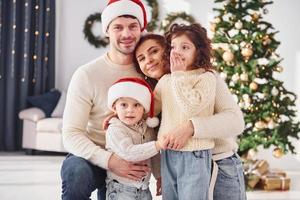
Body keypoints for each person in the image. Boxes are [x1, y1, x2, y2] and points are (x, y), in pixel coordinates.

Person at [134, 31, 247, 199]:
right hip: (175, 163)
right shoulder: (158, 88)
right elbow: (148, 129)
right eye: (141, 58)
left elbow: (236, 122)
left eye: (154, 51)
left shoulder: (205, 77)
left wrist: (192, 127)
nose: (148, 60)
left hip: (219, 164)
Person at [60, 1, 151, 200]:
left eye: (133, 26)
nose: (126, 34)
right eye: (118, 27)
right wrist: (109, 160)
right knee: (76, 173)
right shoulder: (87, 74)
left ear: (141, 29)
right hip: (93, 156)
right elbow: (71, 133)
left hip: (131, 158)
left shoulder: (149, 72)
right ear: (107, 31)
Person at [154, 23, 217, 200]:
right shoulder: (166, 80)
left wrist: (179, 75)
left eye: (185, 47)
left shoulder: (206, 78)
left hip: (195, 154)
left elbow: (191, 108)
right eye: (173, 47)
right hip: (168, 153)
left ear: (199, 51)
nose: (177, 51)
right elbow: (150, 109)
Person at [105, 77, 162, 200]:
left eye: (136, 105)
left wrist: (159, 176)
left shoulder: (147, 128)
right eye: (124, 105)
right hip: (121, 189)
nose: (130, 110)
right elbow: (128, 152)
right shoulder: (115, 129)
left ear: (144, 109)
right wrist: (157, 145)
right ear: (115, 107)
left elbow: (155, 156)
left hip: (144, 188)